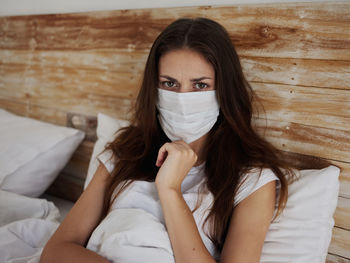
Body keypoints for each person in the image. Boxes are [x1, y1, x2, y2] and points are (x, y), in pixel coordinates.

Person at [40, 17, 294, 263]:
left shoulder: (252, 180)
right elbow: (56, 251)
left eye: (200, 85)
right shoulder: (126, 152)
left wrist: (170, 190)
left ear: (224, 91)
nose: (183, 98)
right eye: (169, 83)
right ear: (155, 88)